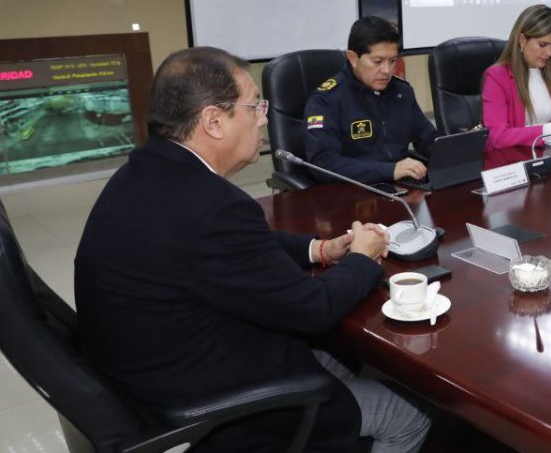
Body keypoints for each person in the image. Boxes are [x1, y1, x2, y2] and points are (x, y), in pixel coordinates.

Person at [76, 47, 430, 452]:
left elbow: (236, 248)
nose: (265, 117)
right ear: (213, 120)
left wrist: (319, 249)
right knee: (408, 416)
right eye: (254, 106)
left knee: (345, 359)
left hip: (154, 365)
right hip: (209, 401)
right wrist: (361, 257)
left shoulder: (145, 173)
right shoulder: (214, 208)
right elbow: (315, 310)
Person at [305, 16, 437, 184]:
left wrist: (453, 151)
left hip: (402, 189)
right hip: (353, 193)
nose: (387, 70)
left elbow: (426, 137)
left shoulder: (401, 92)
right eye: (378, 61)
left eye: (393, 61)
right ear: (353, 58)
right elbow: (323, 164)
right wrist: (390, 170)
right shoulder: (326, 100)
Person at [482, 4, 551, 150]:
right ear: (522, 40)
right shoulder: (497, 77)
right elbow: (497, 137)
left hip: (549, 157)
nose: (549, 53)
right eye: (543, 44)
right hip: (513, 163)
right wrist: (550, 130)